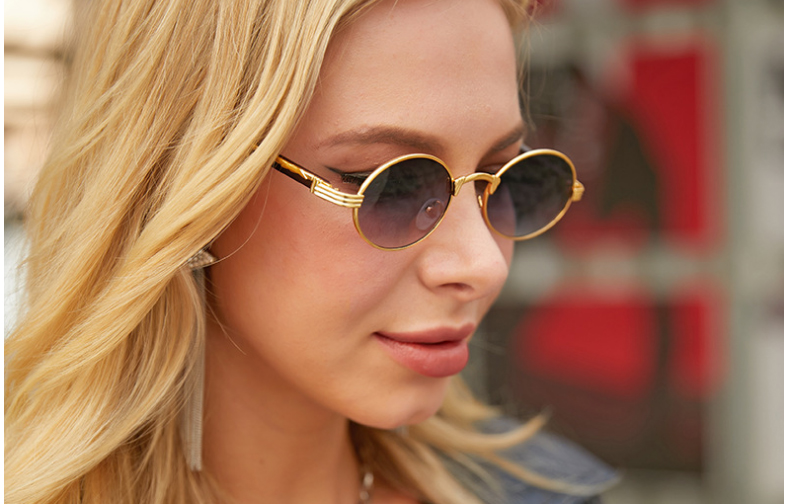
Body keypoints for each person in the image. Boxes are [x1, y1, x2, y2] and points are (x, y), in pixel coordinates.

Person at [5, 0, 619, 503]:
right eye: (391, 183)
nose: (481, 265)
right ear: (184, 184)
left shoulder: (549, 492)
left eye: (504, 176)